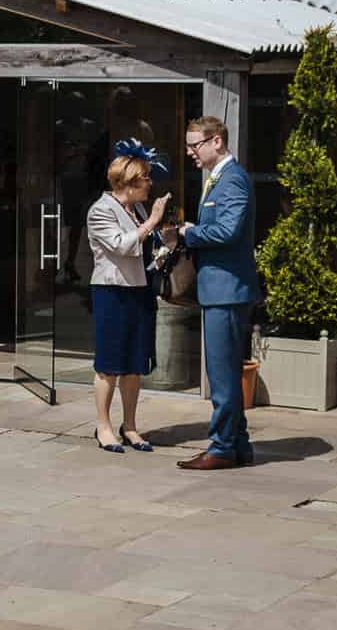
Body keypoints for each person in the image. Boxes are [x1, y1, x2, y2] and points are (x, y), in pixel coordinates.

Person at [172, 116, 257, 471]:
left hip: (227, 291)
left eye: (195, 145)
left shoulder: (232, 179)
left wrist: (186, 234)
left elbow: (227, 232)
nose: (190, 152)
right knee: (224, 372)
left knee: (222, 375)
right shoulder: (219, 179)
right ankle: (238, 445)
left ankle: (222, 447)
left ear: (217, 141)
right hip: (221, 289)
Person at [85, 144, 169, 454]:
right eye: (146, 177)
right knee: (110, 364)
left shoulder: (139, 209)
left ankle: (130, 426)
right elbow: (121, 245)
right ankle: (104, 426)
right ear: (128, 181)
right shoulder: (101, 210)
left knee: (134, 363)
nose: (150, 183)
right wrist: (152, 223)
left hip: (139, 289)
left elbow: (145, 246)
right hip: (112, 292)